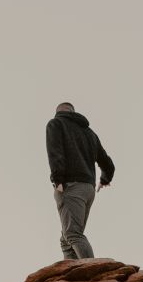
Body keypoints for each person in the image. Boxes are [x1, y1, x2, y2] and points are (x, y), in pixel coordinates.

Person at [46, 102, 115, 259]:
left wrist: (57, 181)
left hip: (70, 185)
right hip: (88, 189)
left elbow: (54, 152)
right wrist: (105, 179)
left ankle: (93, 272)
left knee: (73, 234)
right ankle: (71, 277)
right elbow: (107, 163)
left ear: (58, 112)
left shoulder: (56, 123)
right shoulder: (89, 133)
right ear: (73, 112)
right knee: (66, 238)